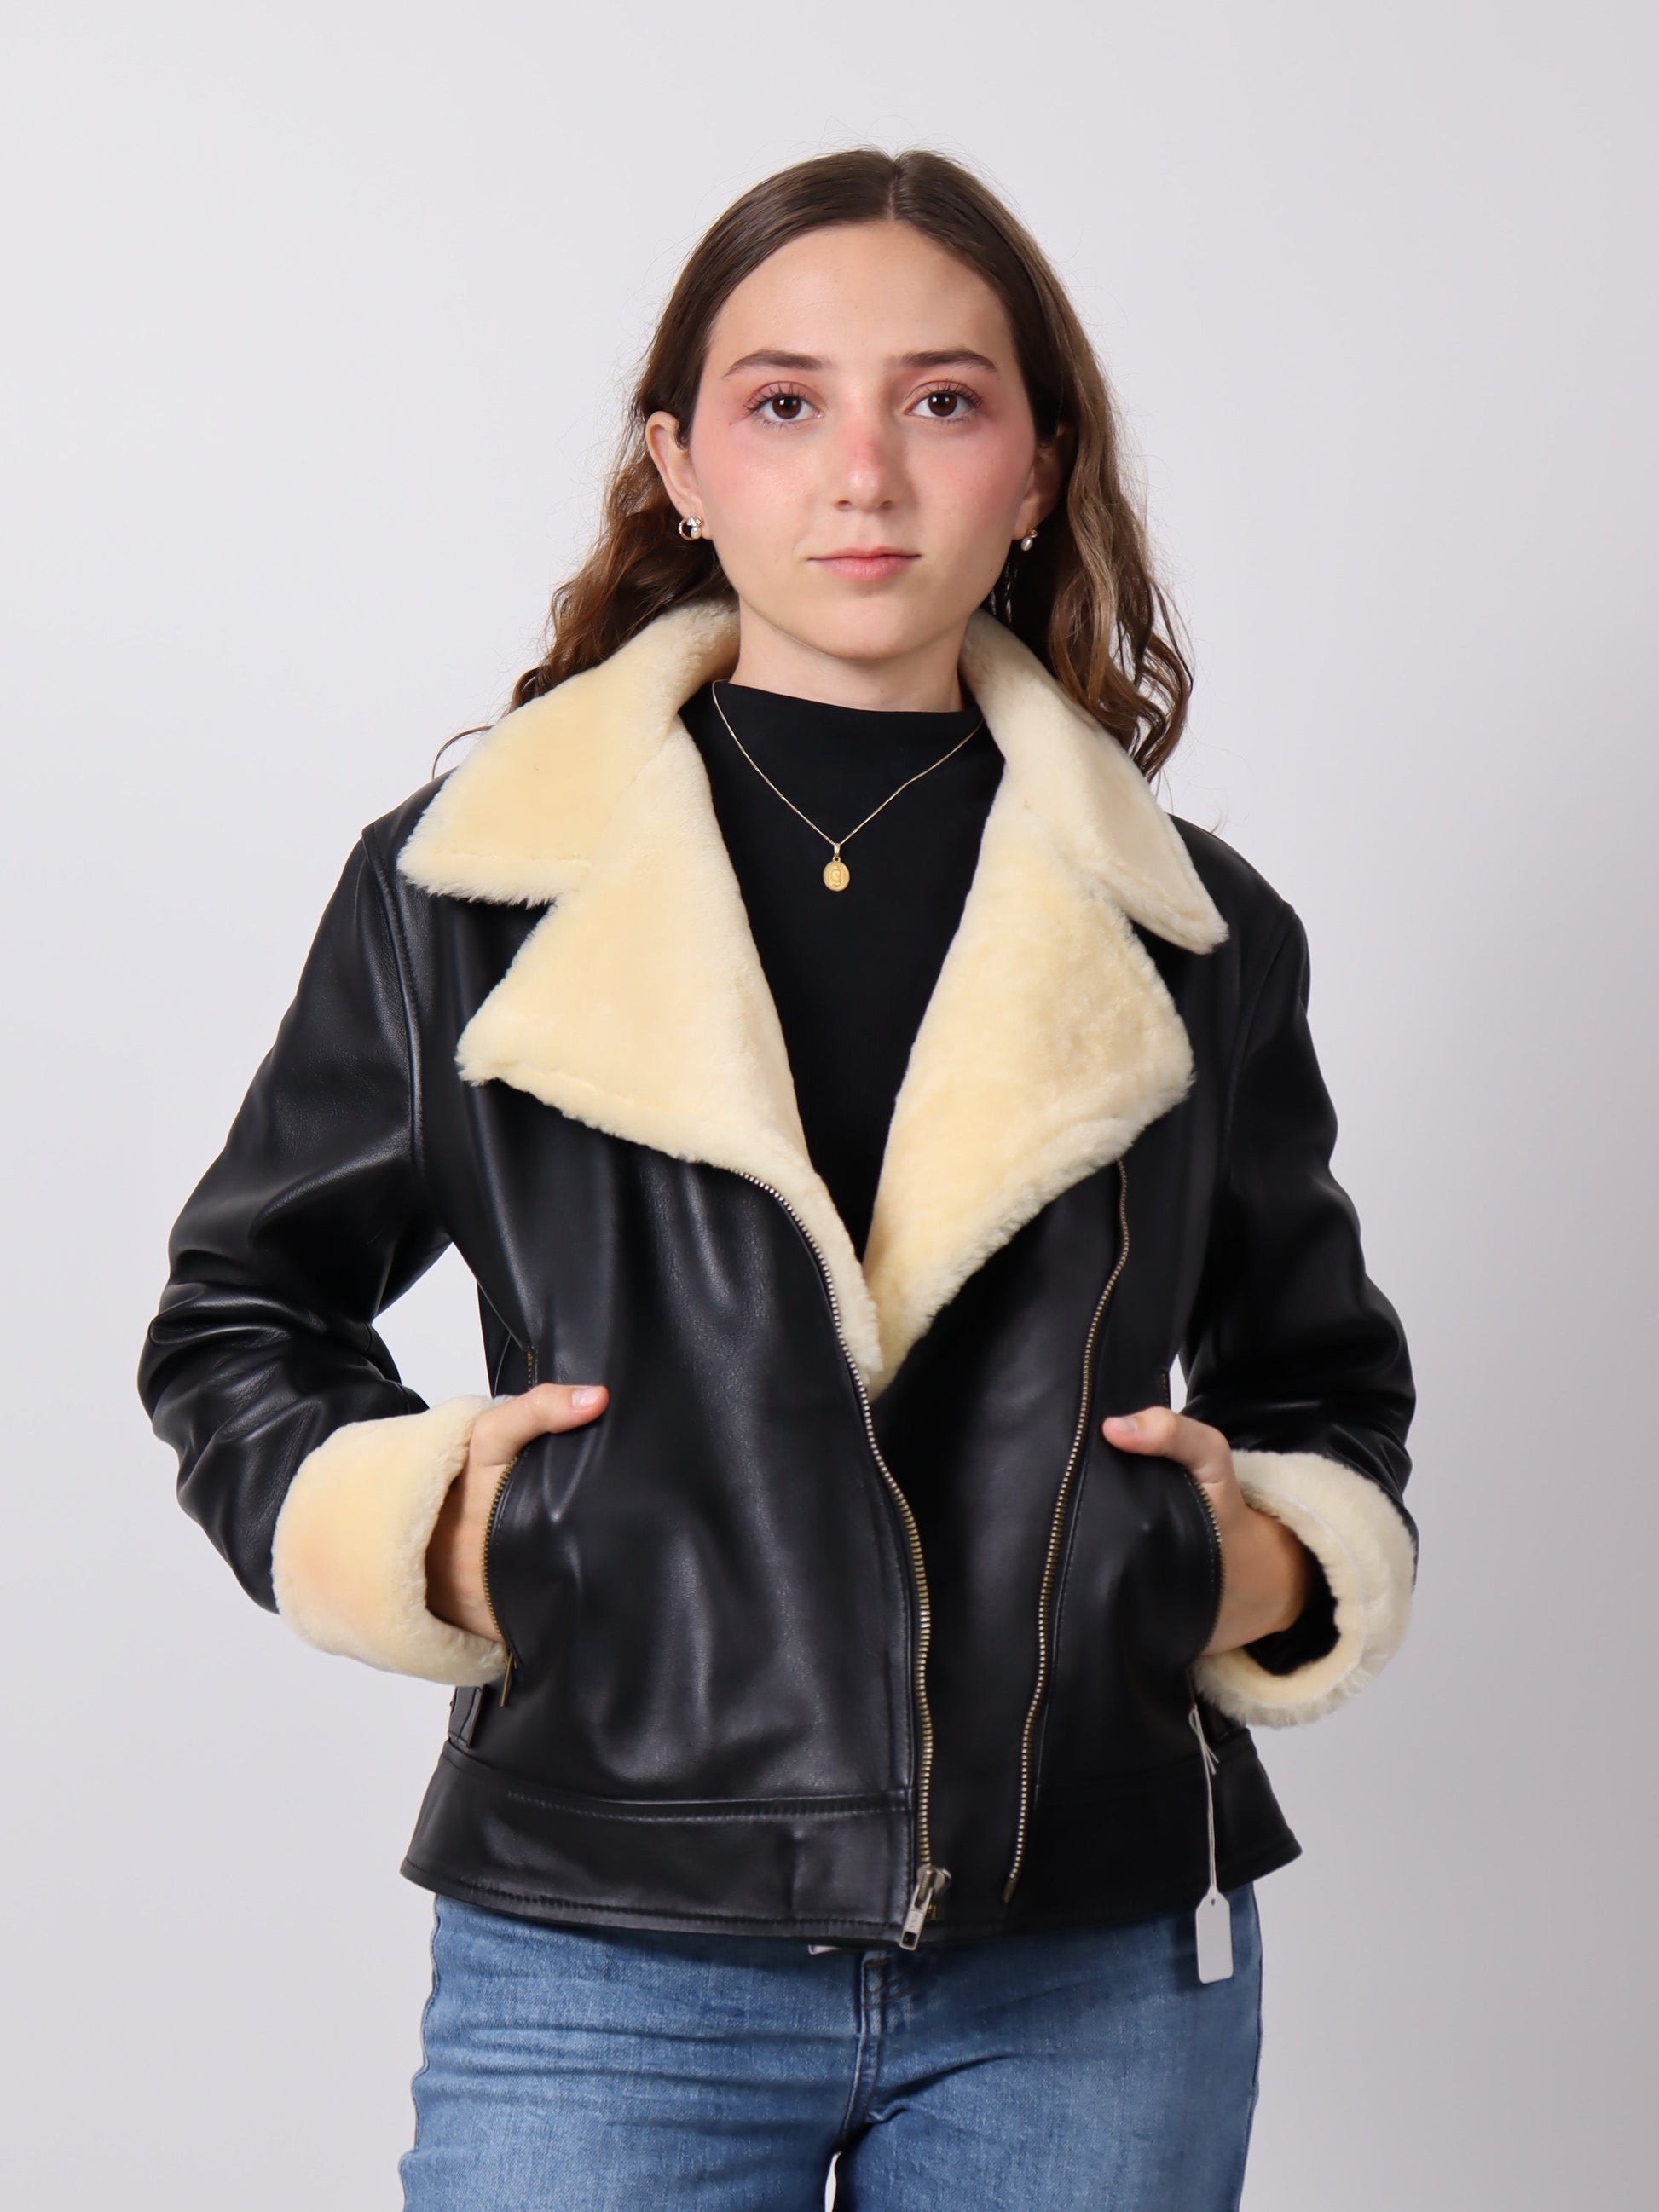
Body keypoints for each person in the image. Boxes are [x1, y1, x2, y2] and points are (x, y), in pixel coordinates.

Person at [139, 147, 1417, 2211]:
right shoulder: (464, 888)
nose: (864, 474)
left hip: (1095, 1942)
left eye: (943, 399)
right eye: (784, 401)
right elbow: (238, 1314)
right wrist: (455, 1532)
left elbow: (1326, 1382)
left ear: (1038, 465)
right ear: (680, 463)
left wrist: (1229, 1562)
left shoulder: (1195, 929)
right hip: (603, 1930)